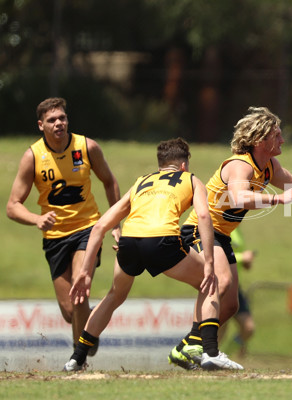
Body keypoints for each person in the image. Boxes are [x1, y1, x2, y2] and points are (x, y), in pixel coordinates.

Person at [168, 106, 292, 369]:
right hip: (201, 231)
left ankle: (184, 348)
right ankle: (208, 351)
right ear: (260, 139)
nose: (283, 139)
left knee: (229, 305)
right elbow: (239, 197)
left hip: (222, 236)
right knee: (221, 281)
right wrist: (277, 198)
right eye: (277, 135)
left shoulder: (268, 165)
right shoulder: (240, 165)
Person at [63, 137, 243, 371]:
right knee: (211, 282)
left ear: (160, 165)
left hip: (129, 242)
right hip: (162, 241)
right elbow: (204, 217)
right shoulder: (190, 179)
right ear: (183, 165)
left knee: (113, 296)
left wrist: (85, 273)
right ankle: (210, 352)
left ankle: (77, 358)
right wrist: (209, 261)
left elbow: (99, 228)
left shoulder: (141, 182)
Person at [6, 97, 121, 355]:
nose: (59, 123)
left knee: (79, 290)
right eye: (52, 120)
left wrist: (115, 222)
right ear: (40, 125)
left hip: (88, 229)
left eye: (62, 118)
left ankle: (78, 357)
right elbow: (12, 206)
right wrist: (37, 219)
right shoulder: (33, 157)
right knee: (71, 311)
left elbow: (109, 181)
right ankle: (93, 319)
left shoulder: (87, 147)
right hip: (55, 237)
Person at [218, 228, 256, 357]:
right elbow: (215, 254)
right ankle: (210, 357)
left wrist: (246, 262)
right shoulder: (220, 224)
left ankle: (225, 355)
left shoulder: (237, 228)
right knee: (221, 326)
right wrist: (241, 258)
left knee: (248, 328)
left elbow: (234, 256)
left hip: (235, 286)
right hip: (221, 284)